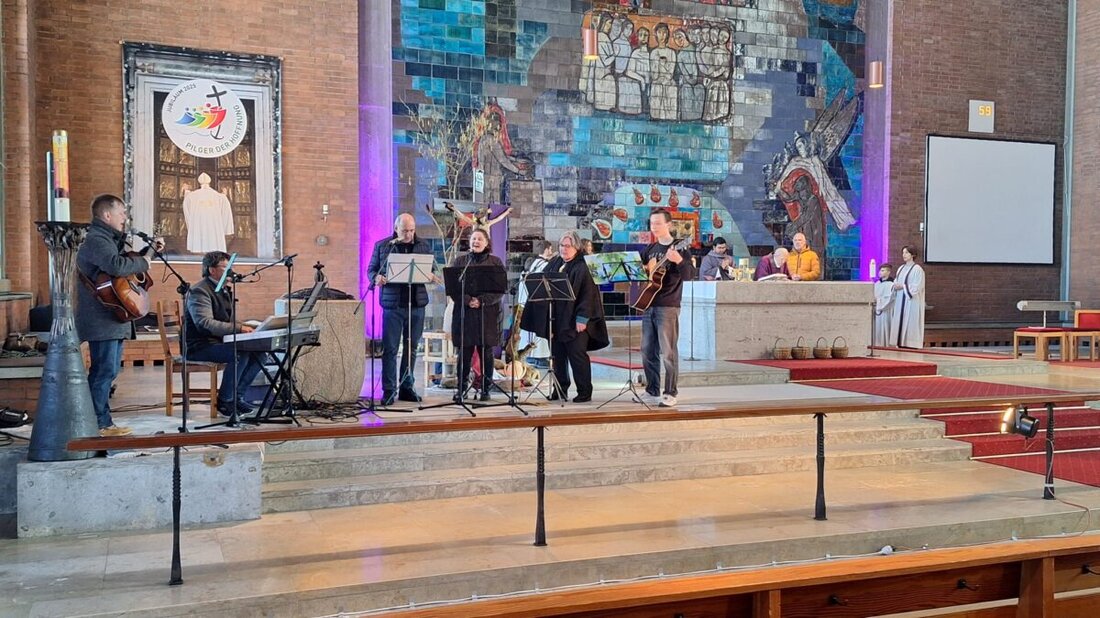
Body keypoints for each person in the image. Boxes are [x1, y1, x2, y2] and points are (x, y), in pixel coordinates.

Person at [76, 194, 163, 436]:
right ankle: (98, 423)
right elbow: (116, 266)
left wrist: (149, 252)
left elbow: (126, 266)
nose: (125, 217)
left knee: (109, 370)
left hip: (112, 315)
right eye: (121, 212)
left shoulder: (110, 239)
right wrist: (145, 260)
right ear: (107, 215)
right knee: (104, 370)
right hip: (101, 317)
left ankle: (101, 421)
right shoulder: (96, 239)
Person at [520, 231, 610, 403]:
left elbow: (588, 294)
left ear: (576, 247)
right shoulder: (555, 262)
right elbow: (542, 284)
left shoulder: (583, 266)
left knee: (577, 355)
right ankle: (559, 390)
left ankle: (584, 391)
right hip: (556, 320)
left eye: (568, 246)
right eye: (561, 245)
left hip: (575, 320)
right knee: (557, 356)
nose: (564, 249)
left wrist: (582, 319)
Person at [185, 251, 267, 417]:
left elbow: (226, 322)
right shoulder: (199, 291)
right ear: (211, 270)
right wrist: (239, 328)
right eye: (225, 267)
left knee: (260, 354)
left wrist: (247, 326)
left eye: (231, 267)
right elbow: (205, 323)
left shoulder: (223, 290)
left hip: (219, 342)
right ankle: (225, 401)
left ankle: (237, 397)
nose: (231, 272)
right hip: (200, 345)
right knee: (239, 352)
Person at [366, 213, 435, 406]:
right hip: (393, 305)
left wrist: (430, 275)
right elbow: (371, 269)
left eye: (412, 230)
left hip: (416, 304)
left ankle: (407, 387)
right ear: (396, 228)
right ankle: (388, 390)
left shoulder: (423, 245)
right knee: (390, 349)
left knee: (412, 348)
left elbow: (432, 270)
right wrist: (376, 278)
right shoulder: (383, 246)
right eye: (405, 230)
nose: (409, 234)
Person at [641, 209, 694, 407]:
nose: (654, 227)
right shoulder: (650, 249)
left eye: (658, 223)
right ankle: (652, 390)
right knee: (647, 350)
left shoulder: (679, 248)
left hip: (668, 305)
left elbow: (689, 274)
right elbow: (641, 273)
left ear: (669, 225)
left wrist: (678, 260)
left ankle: (670, 392)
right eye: (652, 223)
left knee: (668, 351)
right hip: (649, 303)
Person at [449, 229, 504, 401]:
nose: (476, 242)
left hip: (486, 313)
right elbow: (453, 289)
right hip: (465, 313)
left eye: (480, 239)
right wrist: (467, 300)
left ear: (487, 242)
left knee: (485, 351)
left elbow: (500, 290)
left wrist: (481, 301)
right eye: (473, 239)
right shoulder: (460, 261)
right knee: (464, 352)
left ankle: (485, 389)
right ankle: (461, 388)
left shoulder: (495, 262)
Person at [516, 241, 555, 365]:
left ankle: (529, 356)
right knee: (539, 330)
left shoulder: (531, 263)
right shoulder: (544, 265)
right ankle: (540, 357)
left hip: (526, 301)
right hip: (539, 302)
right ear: (548, 249)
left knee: (528, 331)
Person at [182, 172, 234, 253]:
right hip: (214, 226)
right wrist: (224, 228)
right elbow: (226, 212)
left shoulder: (191, 196)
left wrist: (186, 192)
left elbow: (186, 207)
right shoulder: (219, 196)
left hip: (198, 224)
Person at [890, 247, 926, 349]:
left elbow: (917, 287)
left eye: (906, 252)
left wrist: (903, 286)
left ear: (913, 254)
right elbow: (896, 281)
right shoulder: (901, 268)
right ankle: (900, 342)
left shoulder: (917, 269)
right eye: (903, 252)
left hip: (911, 301)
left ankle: (911, 343)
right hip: (900, 300)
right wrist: (895, 286)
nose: (904, 255)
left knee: (910, 321)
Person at [874, 263, 895, 347]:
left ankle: (886, 344)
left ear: (888, 272)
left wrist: (880, 303)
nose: (880, 272)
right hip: (877, 309)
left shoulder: (892, 284)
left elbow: (890, 298)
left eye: (883, 270)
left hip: (886, 310)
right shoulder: (877, 283)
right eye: (880, 270)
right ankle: (877, 344)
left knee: (886, 327)